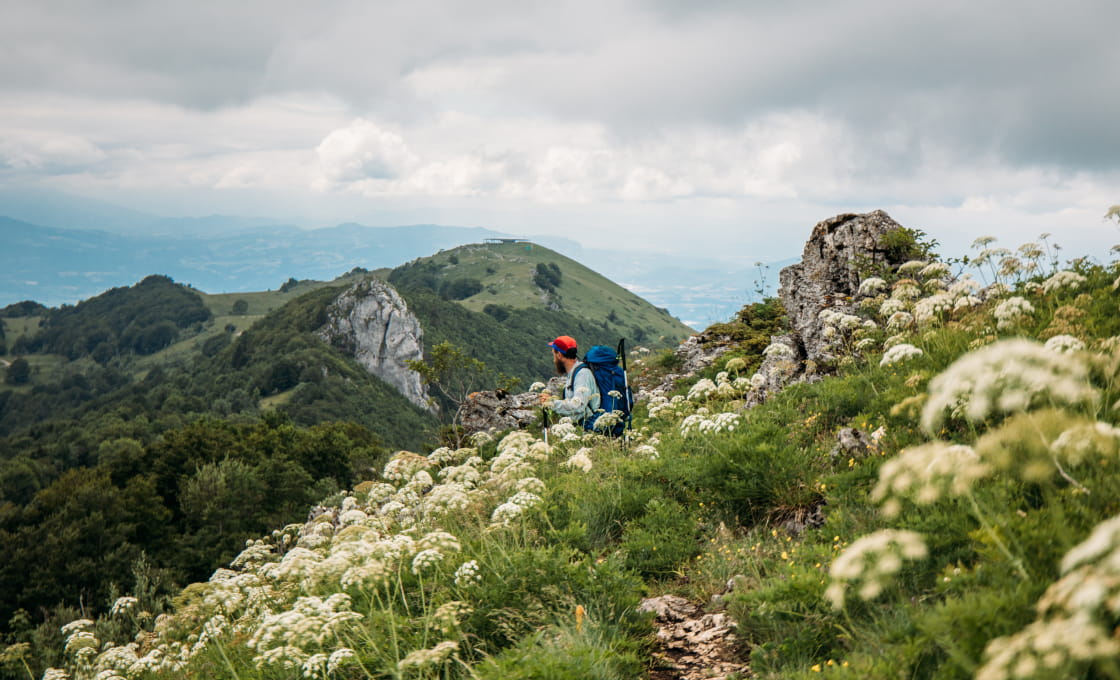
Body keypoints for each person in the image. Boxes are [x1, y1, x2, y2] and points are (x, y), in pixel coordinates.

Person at [541, 335, 600, 426]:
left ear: (559, 355)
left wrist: (552, 403)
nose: (554, 360)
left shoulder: (582, 375)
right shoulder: (574, 373)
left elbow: (578, 406)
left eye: (554, 354)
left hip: (589, 427)